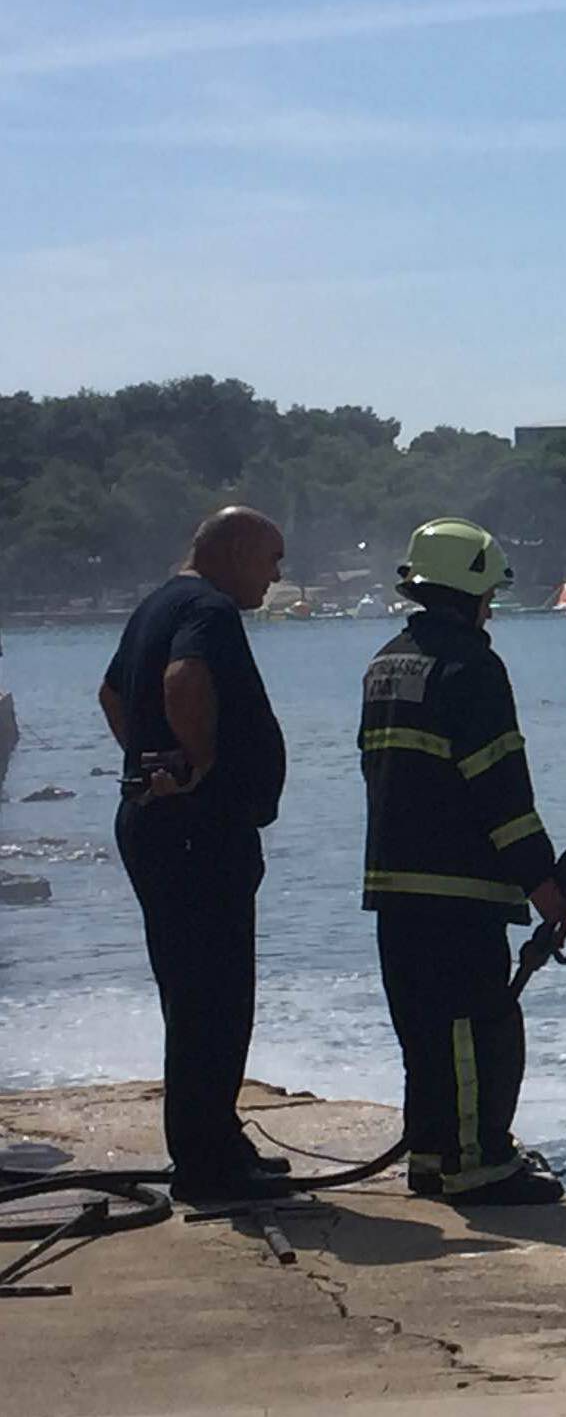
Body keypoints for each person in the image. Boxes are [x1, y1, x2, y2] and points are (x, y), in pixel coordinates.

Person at [360, 518, 566, 1206]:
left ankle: (432, 1154)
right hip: (458, 886)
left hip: (394, 882)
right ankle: (477, 1162)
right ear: (477, 589)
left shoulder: (387, 660)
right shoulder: (473, 667)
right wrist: (542, 882)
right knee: (475, 1027)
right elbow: (500, 786)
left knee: (423, 1027)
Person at [100, 506, 290, 1201]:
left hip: (159, 827)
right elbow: (183, 679)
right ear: (235, 550)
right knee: (214, 995)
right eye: (271, 559)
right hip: (196, 834)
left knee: (191, 991)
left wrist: (148, 760)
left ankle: (213, 1136)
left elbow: (114, 692)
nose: (277, 576)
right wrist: (198, 766)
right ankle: (209, 1166)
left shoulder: (158, 602)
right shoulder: (209, 609)